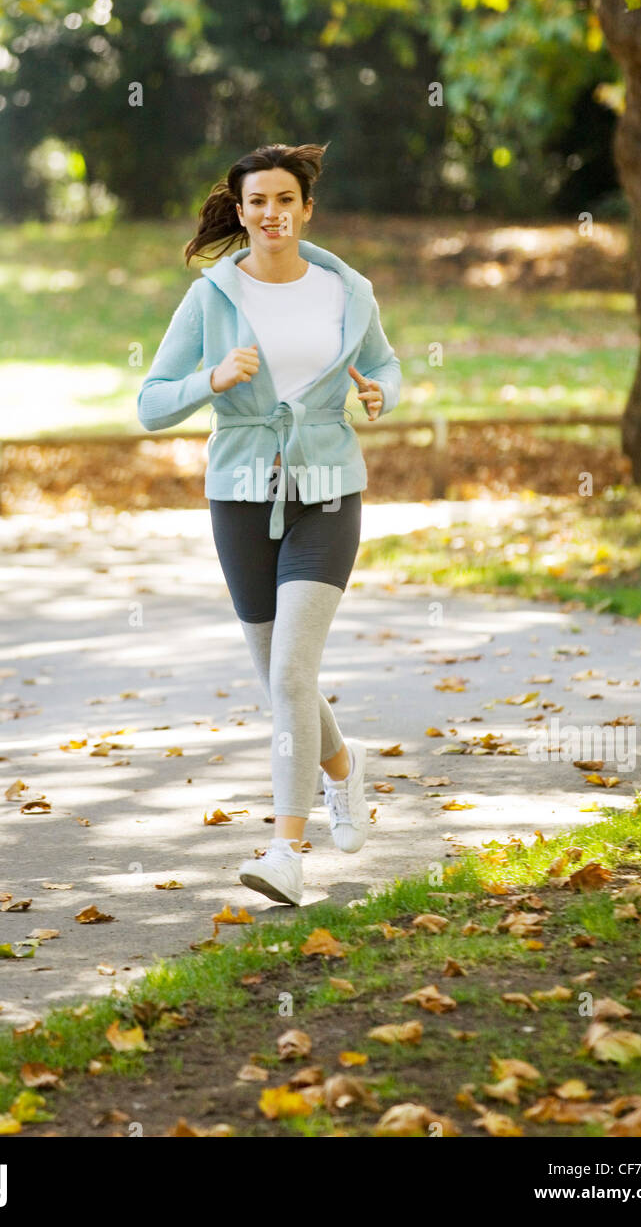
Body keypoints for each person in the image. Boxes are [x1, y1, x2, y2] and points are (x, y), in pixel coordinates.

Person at [137, 142, 402, 905]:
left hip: (326, 487)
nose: (271, 213)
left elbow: (383, 368)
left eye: (285, 200)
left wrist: (381, 396)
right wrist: (209, 380)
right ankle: (344, 770)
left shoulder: (346, 291)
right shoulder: (210, 298)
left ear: (305, 209)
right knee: (278, 674)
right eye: (257, 201)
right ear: (242, 210)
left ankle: (286, 851)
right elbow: (150, 403)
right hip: (241, 491)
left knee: (289, 671)